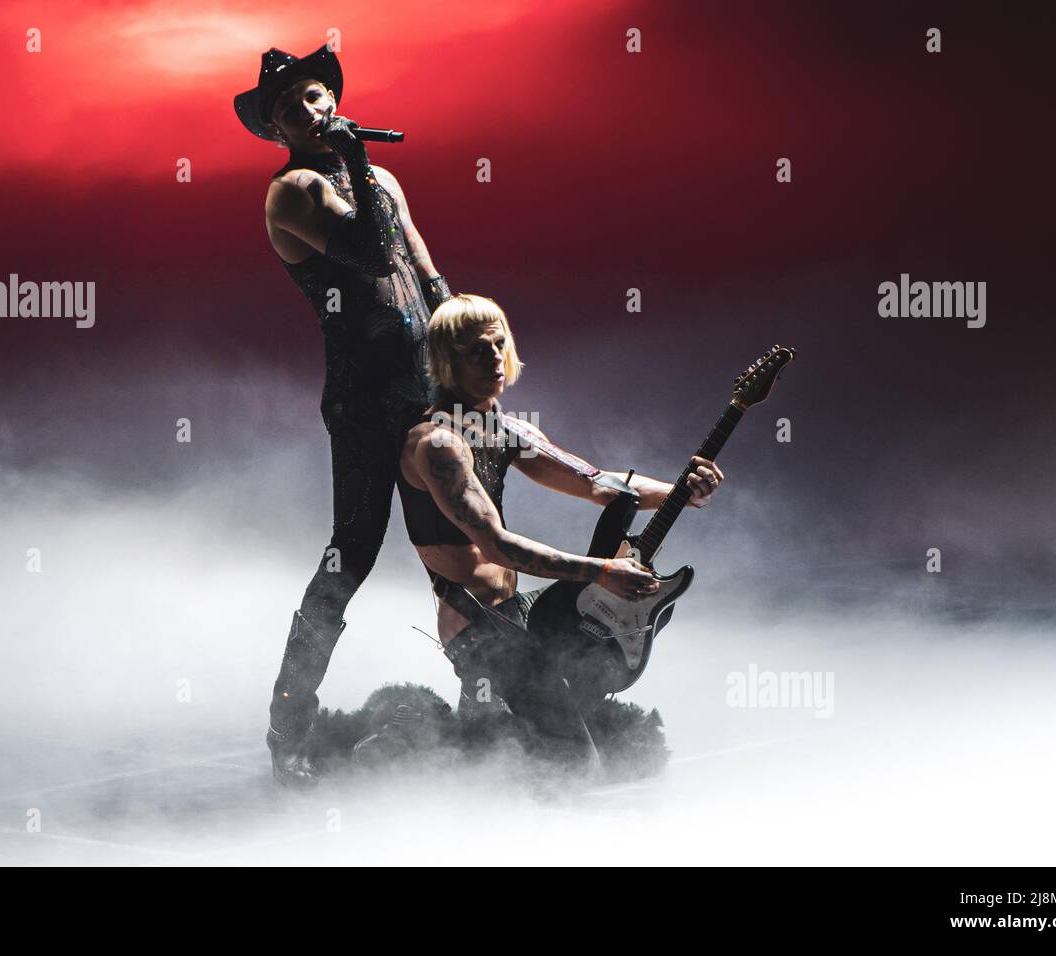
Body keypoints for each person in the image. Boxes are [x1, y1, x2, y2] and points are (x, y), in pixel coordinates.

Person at [234, 44, 452, 786]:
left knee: (455, 550)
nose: (308, 109)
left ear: (334, 98)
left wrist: (460, 346)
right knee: (349, 557)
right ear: (276, 127)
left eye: (316, 95)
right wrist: (355, 162)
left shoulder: (382, 178)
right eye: (290, 106)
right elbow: (364, 249)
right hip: (363, 398)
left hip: (428, 388)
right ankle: (286, 731)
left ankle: (507, 710)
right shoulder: (291, 193)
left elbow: (421, 266)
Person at [395, 294, 725, 768]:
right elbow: (497, 545)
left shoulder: (503, 429)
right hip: (478, 629)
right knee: (574, 760)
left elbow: (601, 484)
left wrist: (683, 492)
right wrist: (603, 571)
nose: (493, 357)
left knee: (579, 692)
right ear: (448, 361)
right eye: (476, 350)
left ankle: (472, 736)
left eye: (498, 343)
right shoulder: (437, 444)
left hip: (521, 610)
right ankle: (429, 749)